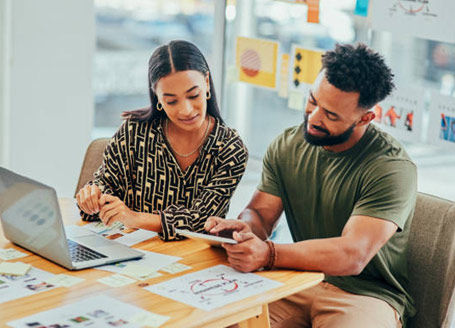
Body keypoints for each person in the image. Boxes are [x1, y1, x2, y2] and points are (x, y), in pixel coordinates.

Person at [206, 43, 416, 328]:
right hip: (297, 278)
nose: (314, 118)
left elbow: (352, 255)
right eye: (313, 101)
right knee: (220, 320)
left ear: (365, 118)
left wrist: (268, 254)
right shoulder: (287, 145)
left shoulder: (390, 168)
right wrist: (245, 230)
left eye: (331, 115)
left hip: (366, 294)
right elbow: (260, 215)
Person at [76, 40, 248, 241]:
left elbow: (202, 222)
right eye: (171, 101)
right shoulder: (134, 132)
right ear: (157, 97)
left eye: (193, 95)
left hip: (193, 262)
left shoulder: (229, 148)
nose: (186, 110)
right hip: (131, 252)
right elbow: (106, 187)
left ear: (207, 82)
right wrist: (92, 197)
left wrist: (134, 218)